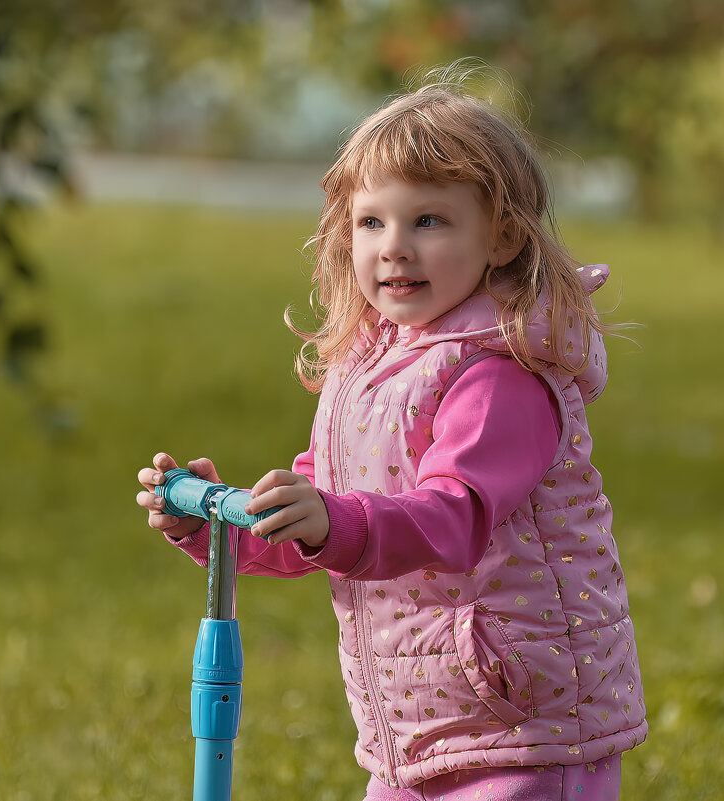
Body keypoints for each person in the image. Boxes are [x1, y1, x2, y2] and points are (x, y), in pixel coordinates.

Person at [136, 68, 646, 801]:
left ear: (501, 235)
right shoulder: (367, 367)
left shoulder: (501, 373)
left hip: (522, 725)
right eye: (372, 222)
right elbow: (324, 512)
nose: (394, 247)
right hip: (417, 730)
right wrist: (226, 524)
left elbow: (454, 516)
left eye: (428, 221)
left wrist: (330, 520)